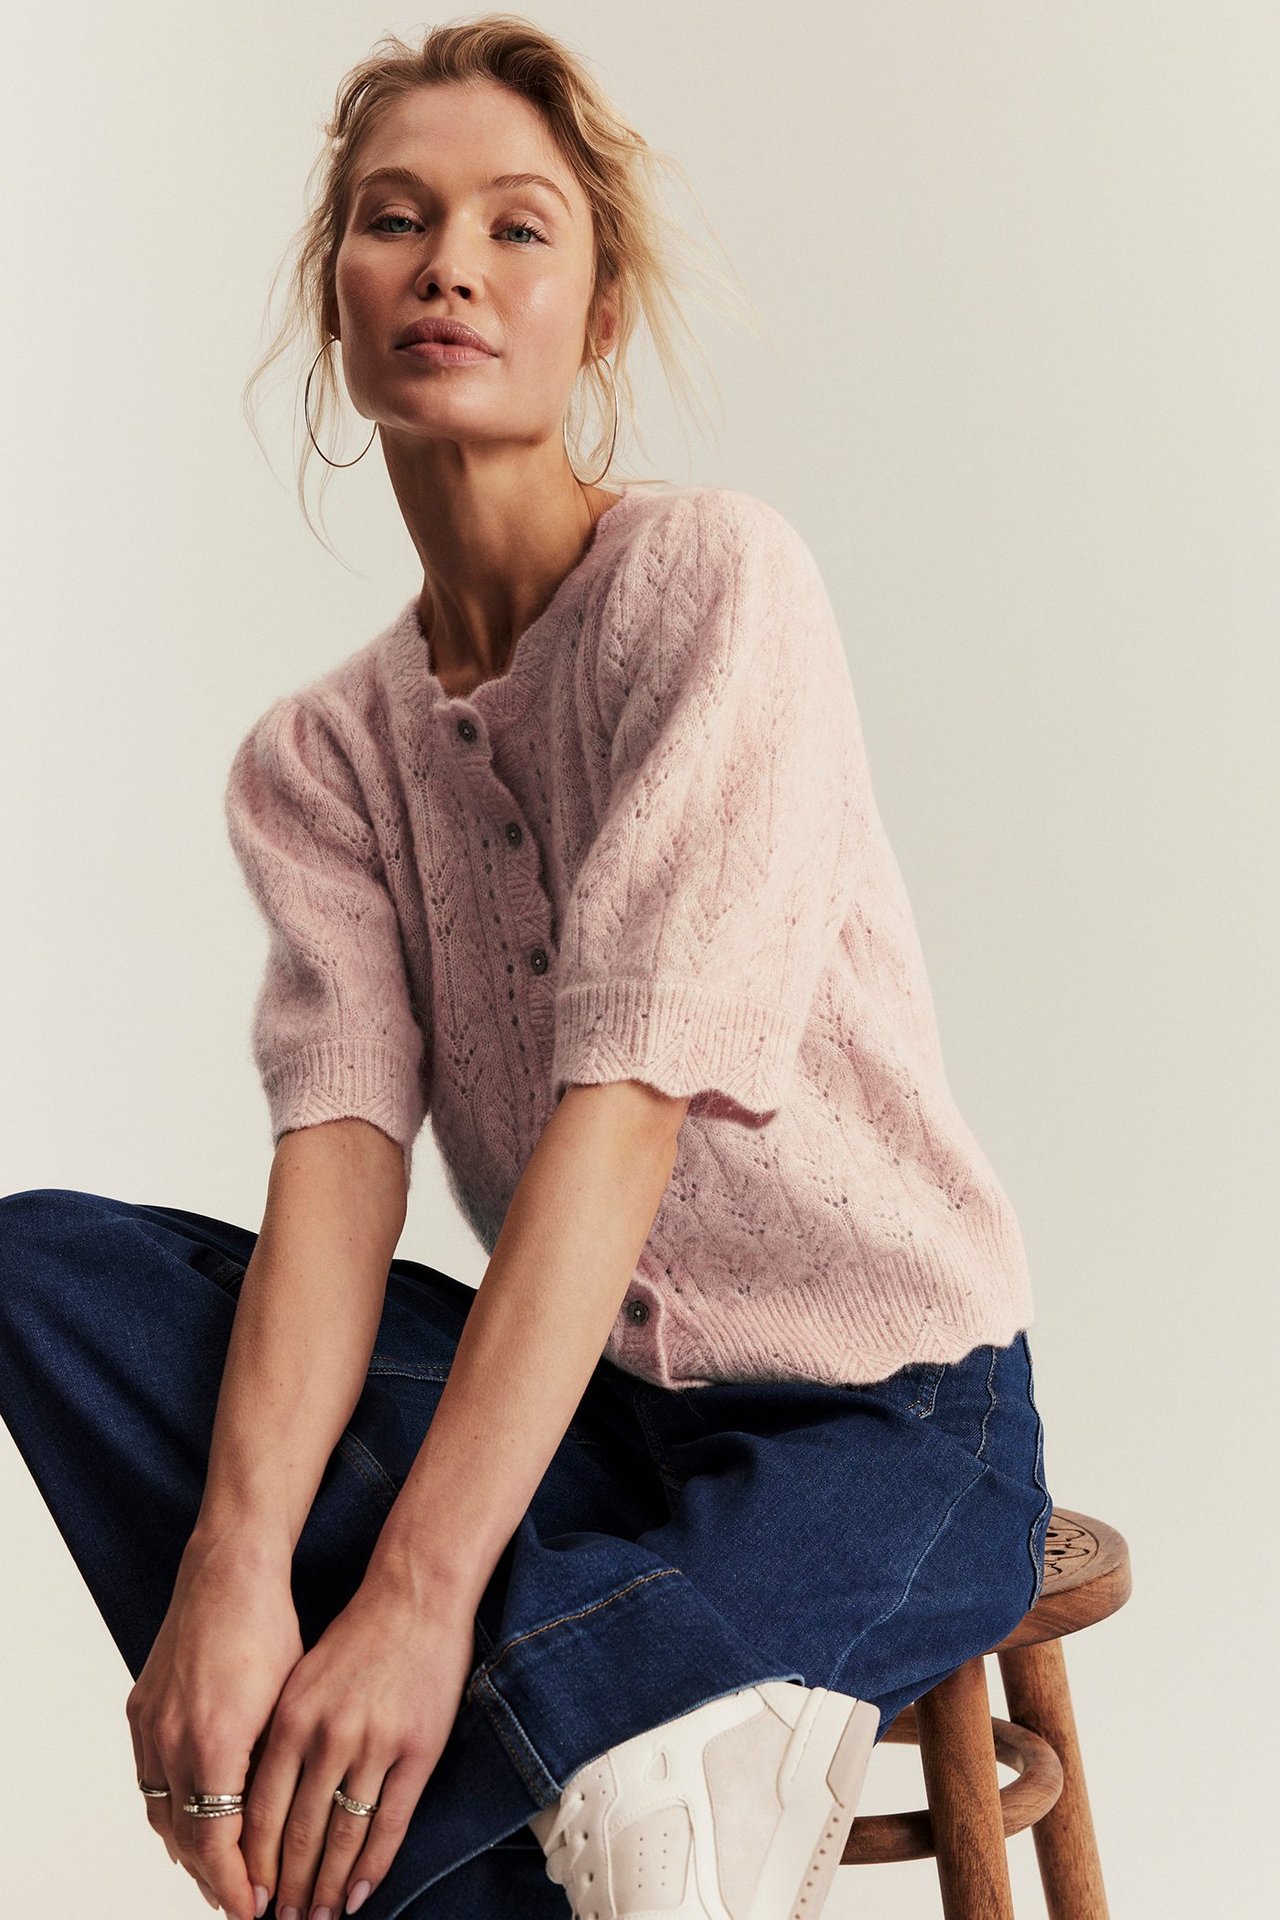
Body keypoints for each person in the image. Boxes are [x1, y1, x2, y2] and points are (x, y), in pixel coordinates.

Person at [0, 17, 1054, 1920]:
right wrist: (232, 1572)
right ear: (338, 301)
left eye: (517, 227)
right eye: (396, 222)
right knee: (46, 1271)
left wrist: (404, 1597)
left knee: (477, 1679)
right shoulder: (320, 760)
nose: (452, 266)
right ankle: (606, 1716)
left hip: (886, 1420)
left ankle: (561, 1715)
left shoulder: (715, 590)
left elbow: (624, 1112)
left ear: (598, 307)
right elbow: (338, 1168)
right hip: (581, 1419)